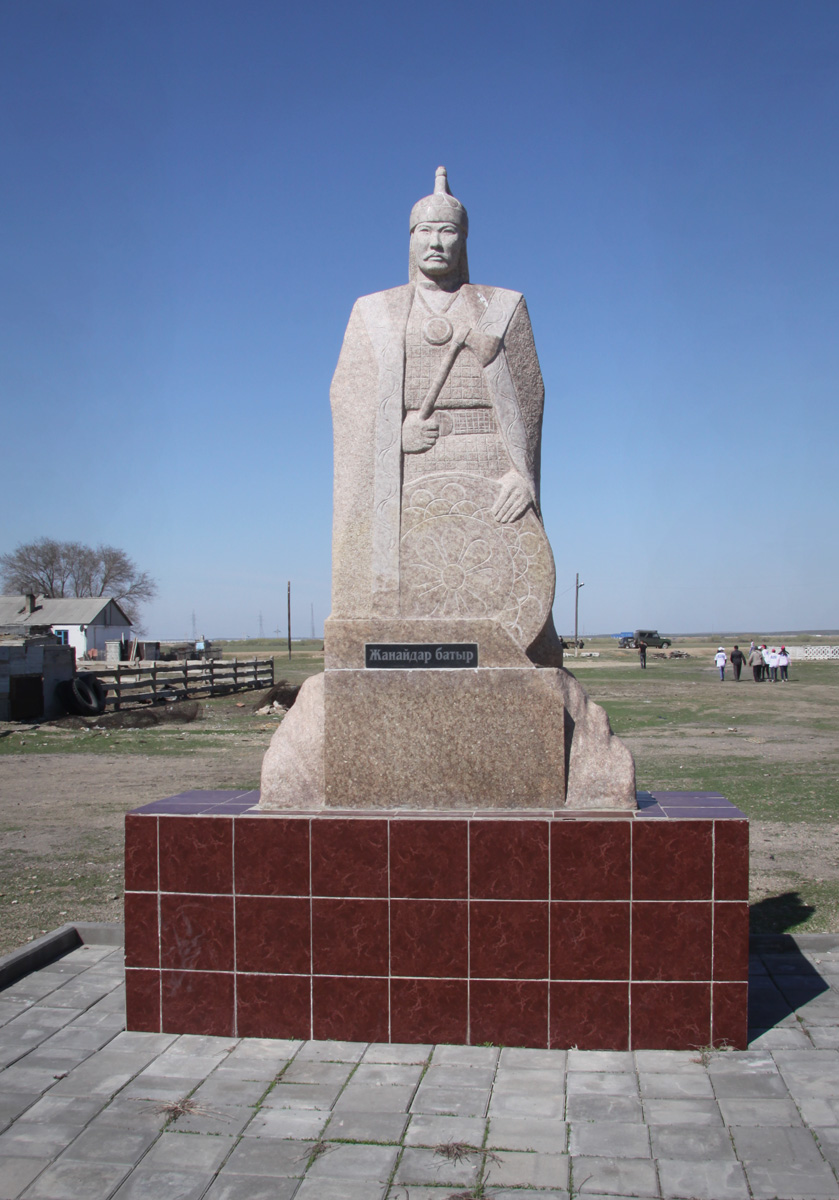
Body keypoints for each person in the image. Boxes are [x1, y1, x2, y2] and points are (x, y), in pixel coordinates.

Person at [330, 166, 563, 662]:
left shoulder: (502, 307)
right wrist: (394, 438)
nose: (436, 242)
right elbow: (347, 402)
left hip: (488, 465)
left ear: (463, 240)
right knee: (413, 583)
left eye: (448, 231)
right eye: (424, 232)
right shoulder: (374, 311)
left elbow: (530, 398)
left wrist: (524, 476)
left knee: (491, 576)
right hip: (409, 465)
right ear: (410, 240)